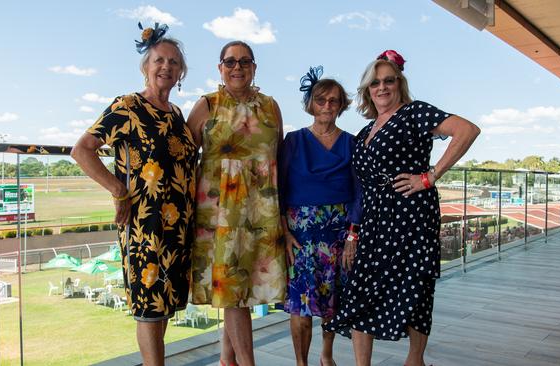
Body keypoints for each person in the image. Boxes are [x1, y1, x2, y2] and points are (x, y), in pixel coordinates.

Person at [323, 50, 480, 366]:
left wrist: (430, 176)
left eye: (388, 81)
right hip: (374, 222)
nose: (382, 87)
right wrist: (353, 234)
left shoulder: (415, 113)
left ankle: (414, 361)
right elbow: (361, 189)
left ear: (400, 84)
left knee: (415, 290)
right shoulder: (366, 132)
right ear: (368, 90)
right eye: (375, 83)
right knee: (360, 291)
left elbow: (467, 130)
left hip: (410, 217)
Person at [71, 23, 197, 366]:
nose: (166, 67)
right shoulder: (128, 106)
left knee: (165, 304)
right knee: (148, 305)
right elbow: (82, 149)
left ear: (181, 72)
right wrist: (118, 190)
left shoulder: (177, 115)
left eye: (173, 62)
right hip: (145, 224)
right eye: (159, 60)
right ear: (146, 66)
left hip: (178, 226)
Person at [187, 40, 287, 366]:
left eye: (245, 61)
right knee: (234, 292)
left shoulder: (271, 106)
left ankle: (226, 360)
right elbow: (184, 157)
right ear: (220, 68)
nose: (237, 67)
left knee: (243, 290)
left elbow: (280, 159)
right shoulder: (207, 105)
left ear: (255, 67)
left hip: (262, 208)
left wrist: (282, 210)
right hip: (220, 212)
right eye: (230, 62)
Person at [278, 66, 361, 366]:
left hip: (338, 234)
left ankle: (326, 356)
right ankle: (302, 363)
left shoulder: (352, 143)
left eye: (334, 101)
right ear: (311, 104)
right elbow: (279, 188)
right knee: (300, 308)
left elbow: (358, 192)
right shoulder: (294, 140)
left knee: (332, 303)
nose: (327, 106)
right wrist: (284, 233)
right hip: (299, 235)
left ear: (341, 106)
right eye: (321, 100)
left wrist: (353, 234)